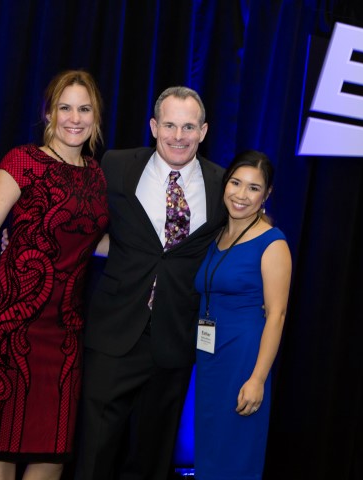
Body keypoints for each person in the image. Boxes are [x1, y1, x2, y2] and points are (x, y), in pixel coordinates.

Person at [0, 70, 109, 479]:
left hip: (64, 334)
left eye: (84, 109)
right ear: (48, 113)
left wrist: (156, 257)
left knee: (51, 452)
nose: (75, 118)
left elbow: (93, 241)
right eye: (65, 107)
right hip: (7, 324)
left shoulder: (98, 175)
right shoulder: (23, 161)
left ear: (96, 117)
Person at [75, 86, 227, 479]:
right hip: (114, 332)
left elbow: (238, 246)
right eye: (170, 125)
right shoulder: (115, 165)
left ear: (203, 131)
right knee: (93, 455)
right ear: (154, 126)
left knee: (151, 462)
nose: (179, 136)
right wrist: (32, 238)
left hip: (174, 340)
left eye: (189, 127)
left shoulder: (222, 184)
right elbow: (81, 222)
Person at [193, 150, 292, 480]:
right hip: (211, 360)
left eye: (253, 187)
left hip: (243, 360)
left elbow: (276, 315)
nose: (241, 194)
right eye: (236, 183)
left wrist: (258, 379)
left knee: (235, 453)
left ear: (267, 194)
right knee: (210, 451)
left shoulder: (272, 243)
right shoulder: (217, 235)